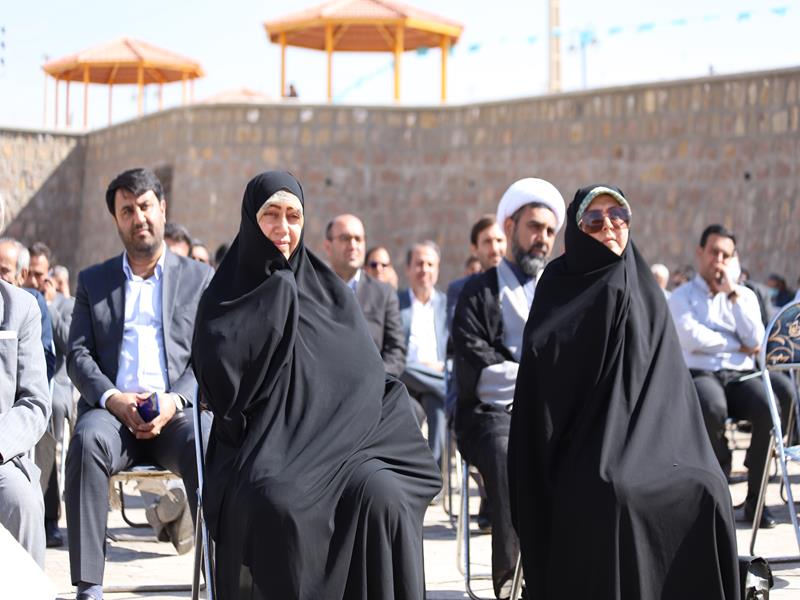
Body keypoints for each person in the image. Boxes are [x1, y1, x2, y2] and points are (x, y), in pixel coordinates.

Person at [191, 171, 441, 599]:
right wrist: (274, 302)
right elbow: (224, 392)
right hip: (264, 447)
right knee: (279, 504)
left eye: (293, 216)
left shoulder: (331, 293)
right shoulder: (224, 297)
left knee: (385, 497)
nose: (283, 228)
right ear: (250, 219)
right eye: (271, 215)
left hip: (347, 446)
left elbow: (364, 376)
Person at [510, 185, 740, 599]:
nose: (609, 227)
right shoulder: (558, 287)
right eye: (594, 220)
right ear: (577, 232)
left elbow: (668, 384)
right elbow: (543, 387)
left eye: (619, 217)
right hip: (578, 445)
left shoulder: (644, 287)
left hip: (655, 441)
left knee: (709, 488)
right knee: (614, 495)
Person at [65, 168, 214, 600]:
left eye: (145, 206)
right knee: (86, 442)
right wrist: (113, 399)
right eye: (127, 210)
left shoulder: (198, 278)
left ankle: (217, 576)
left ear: (162, 209)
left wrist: (173, 400)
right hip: (113, 416)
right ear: (116, 219)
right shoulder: (94, 281)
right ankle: (89, 586)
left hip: (176, 413)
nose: (139, 217)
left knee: (209, 443)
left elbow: (209, 354)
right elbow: (78, 354)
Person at [453, 178, 563, 598]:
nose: (543, 238)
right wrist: (538, 378)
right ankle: (509, 579)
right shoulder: (477, 292)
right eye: (535, 227)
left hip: (549, 413)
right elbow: (477, 369)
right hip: (488, 417)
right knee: (504, 451)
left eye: (550, 231)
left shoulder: (559, 294)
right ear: (511, 226)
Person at [669, 224, 794, 528]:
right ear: (700, 253)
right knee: (711, 407)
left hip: (739, 374)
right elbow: (692, 338)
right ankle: (719, 474)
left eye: (726, 255)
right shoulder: (682, 296)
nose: (719, 261)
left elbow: (756, 338)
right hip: (702, 373)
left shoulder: (743, 296)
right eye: (714, 252)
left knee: (768, 409)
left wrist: (732, 295)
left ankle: (755, 500)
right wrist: (737, 344)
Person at [0, 245, 51, 569]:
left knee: (23, 503)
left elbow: (35, 401)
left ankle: (28, 590)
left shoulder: (20, 307)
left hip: (1, 452)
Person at [26, 242, 73, 548]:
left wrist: (51, 305)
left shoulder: (63, 305)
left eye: (39, 275)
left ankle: (49, 517)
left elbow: (65, 346)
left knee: (46, 413)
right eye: (29, 274)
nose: (33, 280)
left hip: (57, 381)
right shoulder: (15, 301)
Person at [323, 214, 406, 377]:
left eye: (358, 239)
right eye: (345, 238)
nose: (353, 245)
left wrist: (372, 379)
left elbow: (396, 352)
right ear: (328, 246)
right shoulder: (313, 288)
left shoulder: (383, 294)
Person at [399, 241, 448, 468]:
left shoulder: (447, 305)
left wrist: (443, 366)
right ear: (408, 269)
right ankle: (446, 386)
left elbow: (455, 350)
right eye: (419, 264)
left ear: (437, 269)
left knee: (438, 408)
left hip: (433, 381)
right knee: (403, 366)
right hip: (405, 380)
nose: (424, 269)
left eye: (430, 264)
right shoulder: (395, 302)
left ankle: (435, 475)